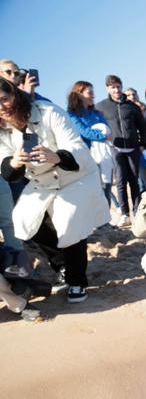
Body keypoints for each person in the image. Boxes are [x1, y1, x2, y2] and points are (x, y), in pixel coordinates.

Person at [0, 78, 109, 303]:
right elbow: (6, 168)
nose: (2, 107)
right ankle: (62, 266)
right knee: (23, 220)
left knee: (68, 220)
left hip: (76, 174)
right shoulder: (1, 130)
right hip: (42, 180)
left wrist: (57, 156)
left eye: (4, 99)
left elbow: (76, 146)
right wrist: (15, 162)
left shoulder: (48, 111)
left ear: (15, 94)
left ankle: (77, 281)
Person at [96, 74, 146, 227]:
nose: (116, 90)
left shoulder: (132, 106)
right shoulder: (101, 107)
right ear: (108, 88)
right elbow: (94, 124)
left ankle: (138, 212)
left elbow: (143, 127)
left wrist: (142, 144)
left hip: (133, 148)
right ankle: (125, 214)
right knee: (120, 181)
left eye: (118, 86)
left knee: (134, 181)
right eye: (113, 87)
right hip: (116, 149)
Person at [66, 81, 116, 211]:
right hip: (86, 155)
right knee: (93, 188)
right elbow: (84, 132)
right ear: (79, 94)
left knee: (107, 186)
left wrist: (105, 134)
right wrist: (103, 136)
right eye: (90, 93)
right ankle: (94, 220)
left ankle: (105, 219)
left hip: (104, 155)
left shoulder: (97, 114)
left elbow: (108, 130)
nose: (93, 96)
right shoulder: (72, 114)